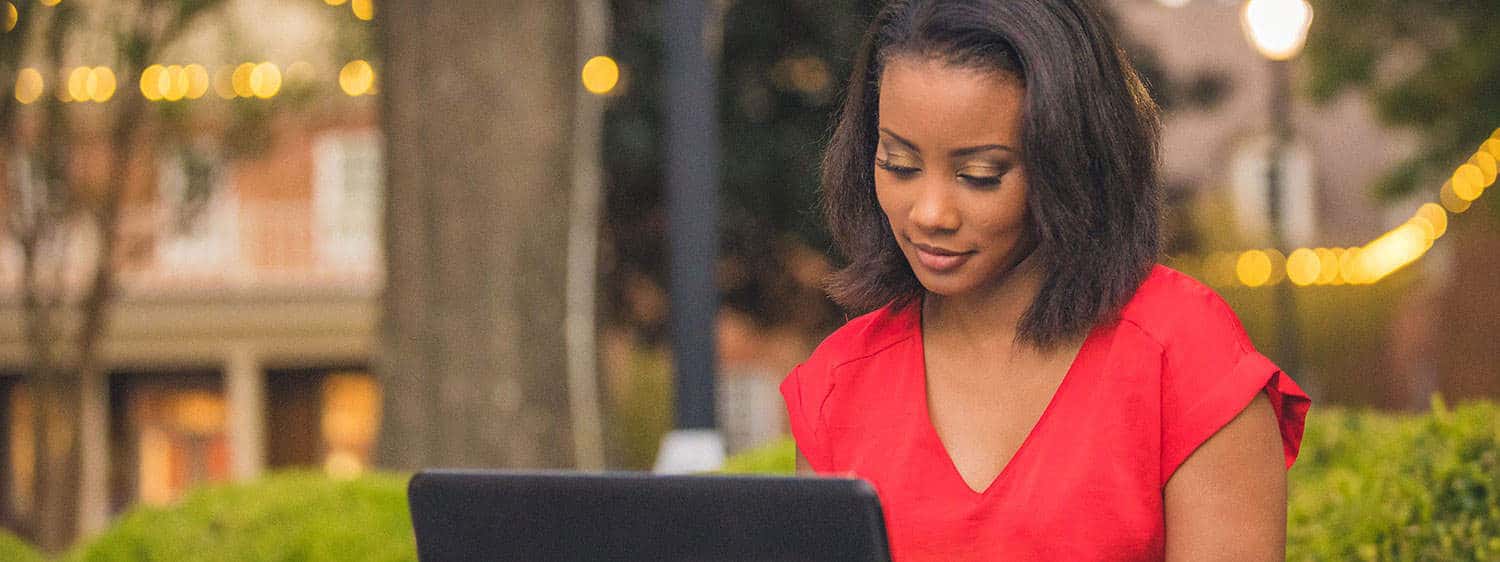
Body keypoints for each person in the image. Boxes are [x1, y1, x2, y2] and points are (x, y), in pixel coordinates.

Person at [779, 1, 1312, 560]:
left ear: (1071, 162)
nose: (930, 212)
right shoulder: (838, 387)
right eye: (899, 165)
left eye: (980, 175)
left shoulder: (1183, 355)